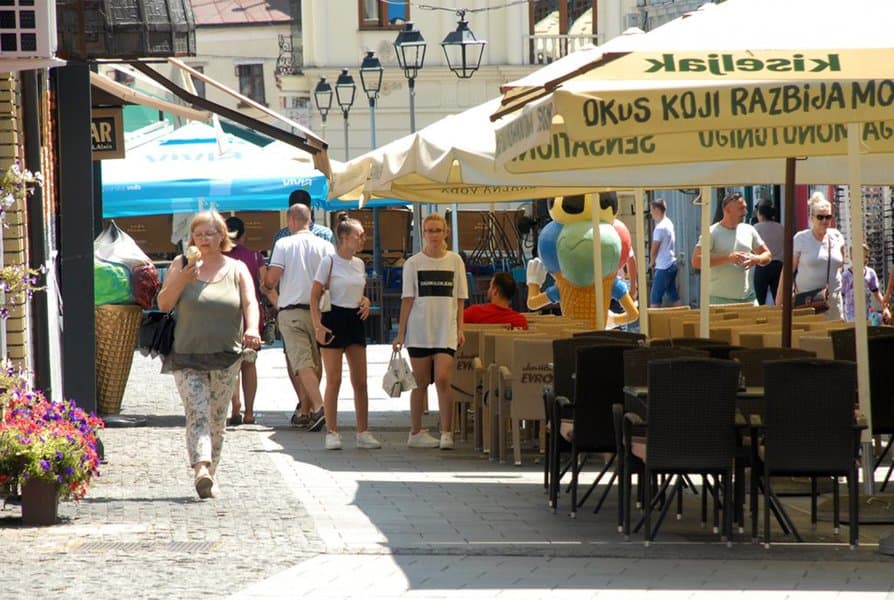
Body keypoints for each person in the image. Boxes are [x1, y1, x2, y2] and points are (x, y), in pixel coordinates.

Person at [157, 210, 261, 499]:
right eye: (198, 234)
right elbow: (164, 303)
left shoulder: (237, 268)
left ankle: (210, 473)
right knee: (198, 412)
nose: (203, 239)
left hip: (226, 355)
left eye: (210, 233)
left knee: (217, 418)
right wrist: (182, 279)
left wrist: (252, 328)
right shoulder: (182, 264)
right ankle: (200, 468)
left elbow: (250, 301)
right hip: (187, 354)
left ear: (222, 237)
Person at [392, 213, 468, 450]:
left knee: (443, 379)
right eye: (429, 231)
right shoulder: (413, 263)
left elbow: (460, 299)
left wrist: (460, 328)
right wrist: (401, 333)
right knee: (420, 382)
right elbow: (407, 299)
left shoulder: (455, 261)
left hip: (445, 330)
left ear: (446, 232)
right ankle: (415, 431)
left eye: (438, 230)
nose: (433, 235)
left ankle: (447, 432)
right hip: (419, 330)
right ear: (423, 234)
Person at [310, 215, 379, 450]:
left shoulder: (359, 264)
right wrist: (318, 324)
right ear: (344, 238)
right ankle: (332, 431)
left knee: (360, 381)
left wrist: (366, 301)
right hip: (333, 318)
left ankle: (363, 431)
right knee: (334, 379)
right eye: (359, 235)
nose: (363, 239)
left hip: (355, 318)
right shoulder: (328, 261)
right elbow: (314, 295)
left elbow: (357, 291)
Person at [264, 203, 334, 434]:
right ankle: (306, 411)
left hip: (292, 310)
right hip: (320, 311)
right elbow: (332, 279)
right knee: (315, 361)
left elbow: (272, 279)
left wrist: (266, 282)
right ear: (310, 220)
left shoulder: (283, 244)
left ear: (290, 220)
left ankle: (319, 407)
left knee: (301, 361)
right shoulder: (325, 245)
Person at [223, 216, 266, 426]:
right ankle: (249, 412)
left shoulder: (219, 257)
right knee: (249, 364)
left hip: (226, 316)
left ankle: (235, 405)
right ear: (244, 235)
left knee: (231, 364)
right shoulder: (255, 256)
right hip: (251, 317)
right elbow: (265, 284)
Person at [691, 192, 772, 305]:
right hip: (719, 301)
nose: (745, 212)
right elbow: (696, 261)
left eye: (745, 208)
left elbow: (767, 255)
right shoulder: (711, 232)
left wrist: (756, 259)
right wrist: (728, 258)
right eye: (741, 208)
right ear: (728, 209)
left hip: (748, 299)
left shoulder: (749, 230)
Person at [780, 191, 845, 320]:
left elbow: (841, 265)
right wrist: (780, 299)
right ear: (812, 218)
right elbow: (787, 271)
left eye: (828, 217)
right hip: (807, 303)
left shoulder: (837, 237)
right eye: (820, 217)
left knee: (836, 337)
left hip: (833, 303)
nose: (824, 221)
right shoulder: (801, 238)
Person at [841, 244, 889, 323]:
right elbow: (842, 297)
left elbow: (877, 293)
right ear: (852, 257)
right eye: (863, 256)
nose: (866, 259)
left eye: (867, 257)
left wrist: (885, 308)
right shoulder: (846, 276)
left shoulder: (870, 273)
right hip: (850, 316)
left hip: (866, 314)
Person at [463, 272, 528, 329]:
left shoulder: (474, 313)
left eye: (490, 286)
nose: (488, 290)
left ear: (495, 291)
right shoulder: (520, 321)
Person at [648, 198, 681, 307]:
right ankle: (684, 318)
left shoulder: (660, 228)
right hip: (671, 263)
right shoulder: (668, 222)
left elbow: (654, 248)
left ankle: (655, 322)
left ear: (657, 210)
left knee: (655, 297)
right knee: (672, 294)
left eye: (652, 210)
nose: (650, 213)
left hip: (663, 266)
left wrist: (652, 262)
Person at [752, 201, 785, 306]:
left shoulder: (755, 228)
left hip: (762, 265)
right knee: (778, 298)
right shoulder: (781, 227)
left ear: (760, 214)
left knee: (760, 298)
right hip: (778, 266)